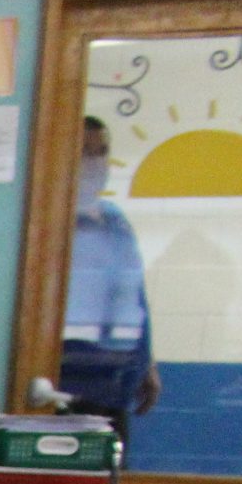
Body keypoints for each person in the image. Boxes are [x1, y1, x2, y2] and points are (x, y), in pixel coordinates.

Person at [60, 115, 159, 442]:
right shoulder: (51, 222)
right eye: (85, 153)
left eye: (101, 152)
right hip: (67, 386)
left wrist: (147, 362)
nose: (95, 162)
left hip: (117, 383)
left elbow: (134, 295)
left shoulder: (115, 221)